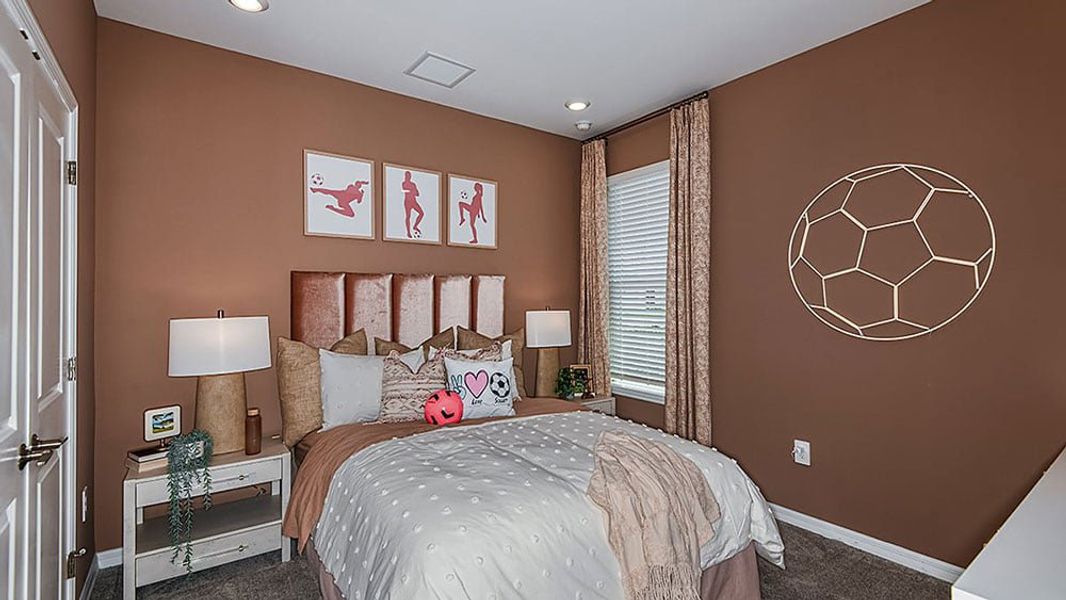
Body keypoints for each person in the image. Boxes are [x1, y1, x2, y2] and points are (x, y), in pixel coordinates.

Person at [402, 171, 424, 238]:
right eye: (407, 176)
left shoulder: (413, 184)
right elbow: (405, 190)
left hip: (414, 201)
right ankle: (408, 232)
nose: (408, 177)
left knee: (421, 213)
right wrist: (412, 191)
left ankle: (415, 226)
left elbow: (417, 194)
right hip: (407, 202)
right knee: (408, 216)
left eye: (409, 176)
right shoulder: (404, 183)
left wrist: (412, 191)